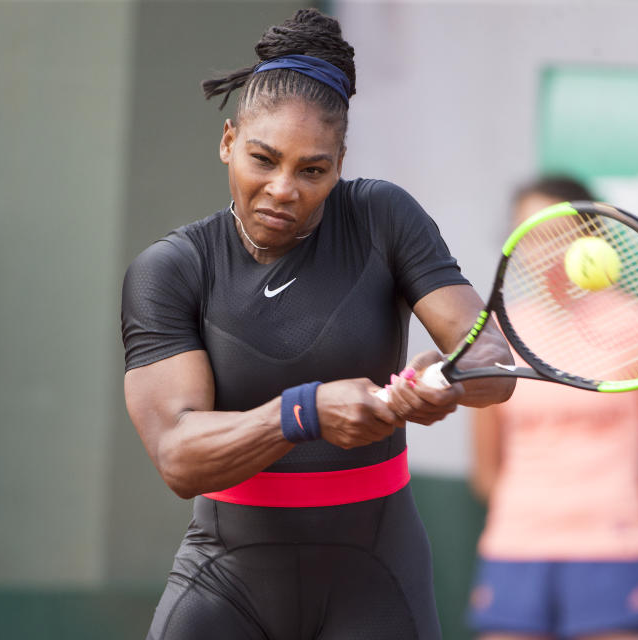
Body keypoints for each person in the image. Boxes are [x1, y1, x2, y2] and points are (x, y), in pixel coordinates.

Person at [120, 9, 514, 640]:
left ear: (339, 163)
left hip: (376, 576)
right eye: (262, 159)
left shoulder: (381, 216)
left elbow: (492, 359)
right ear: (227, 141)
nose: (283, 189)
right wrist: (303, 412)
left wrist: (448, 377)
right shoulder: (171, 269)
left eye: (312, 169)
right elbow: (178, 457)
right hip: (225, 580)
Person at [467, 176, 638, 640]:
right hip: (516, 547)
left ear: (589, 239)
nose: (541, 250)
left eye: (555, 233)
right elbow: (486, 469)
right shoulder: (497, 338)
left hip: (614, 549)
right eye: (528, 235)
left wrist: (622, 527)